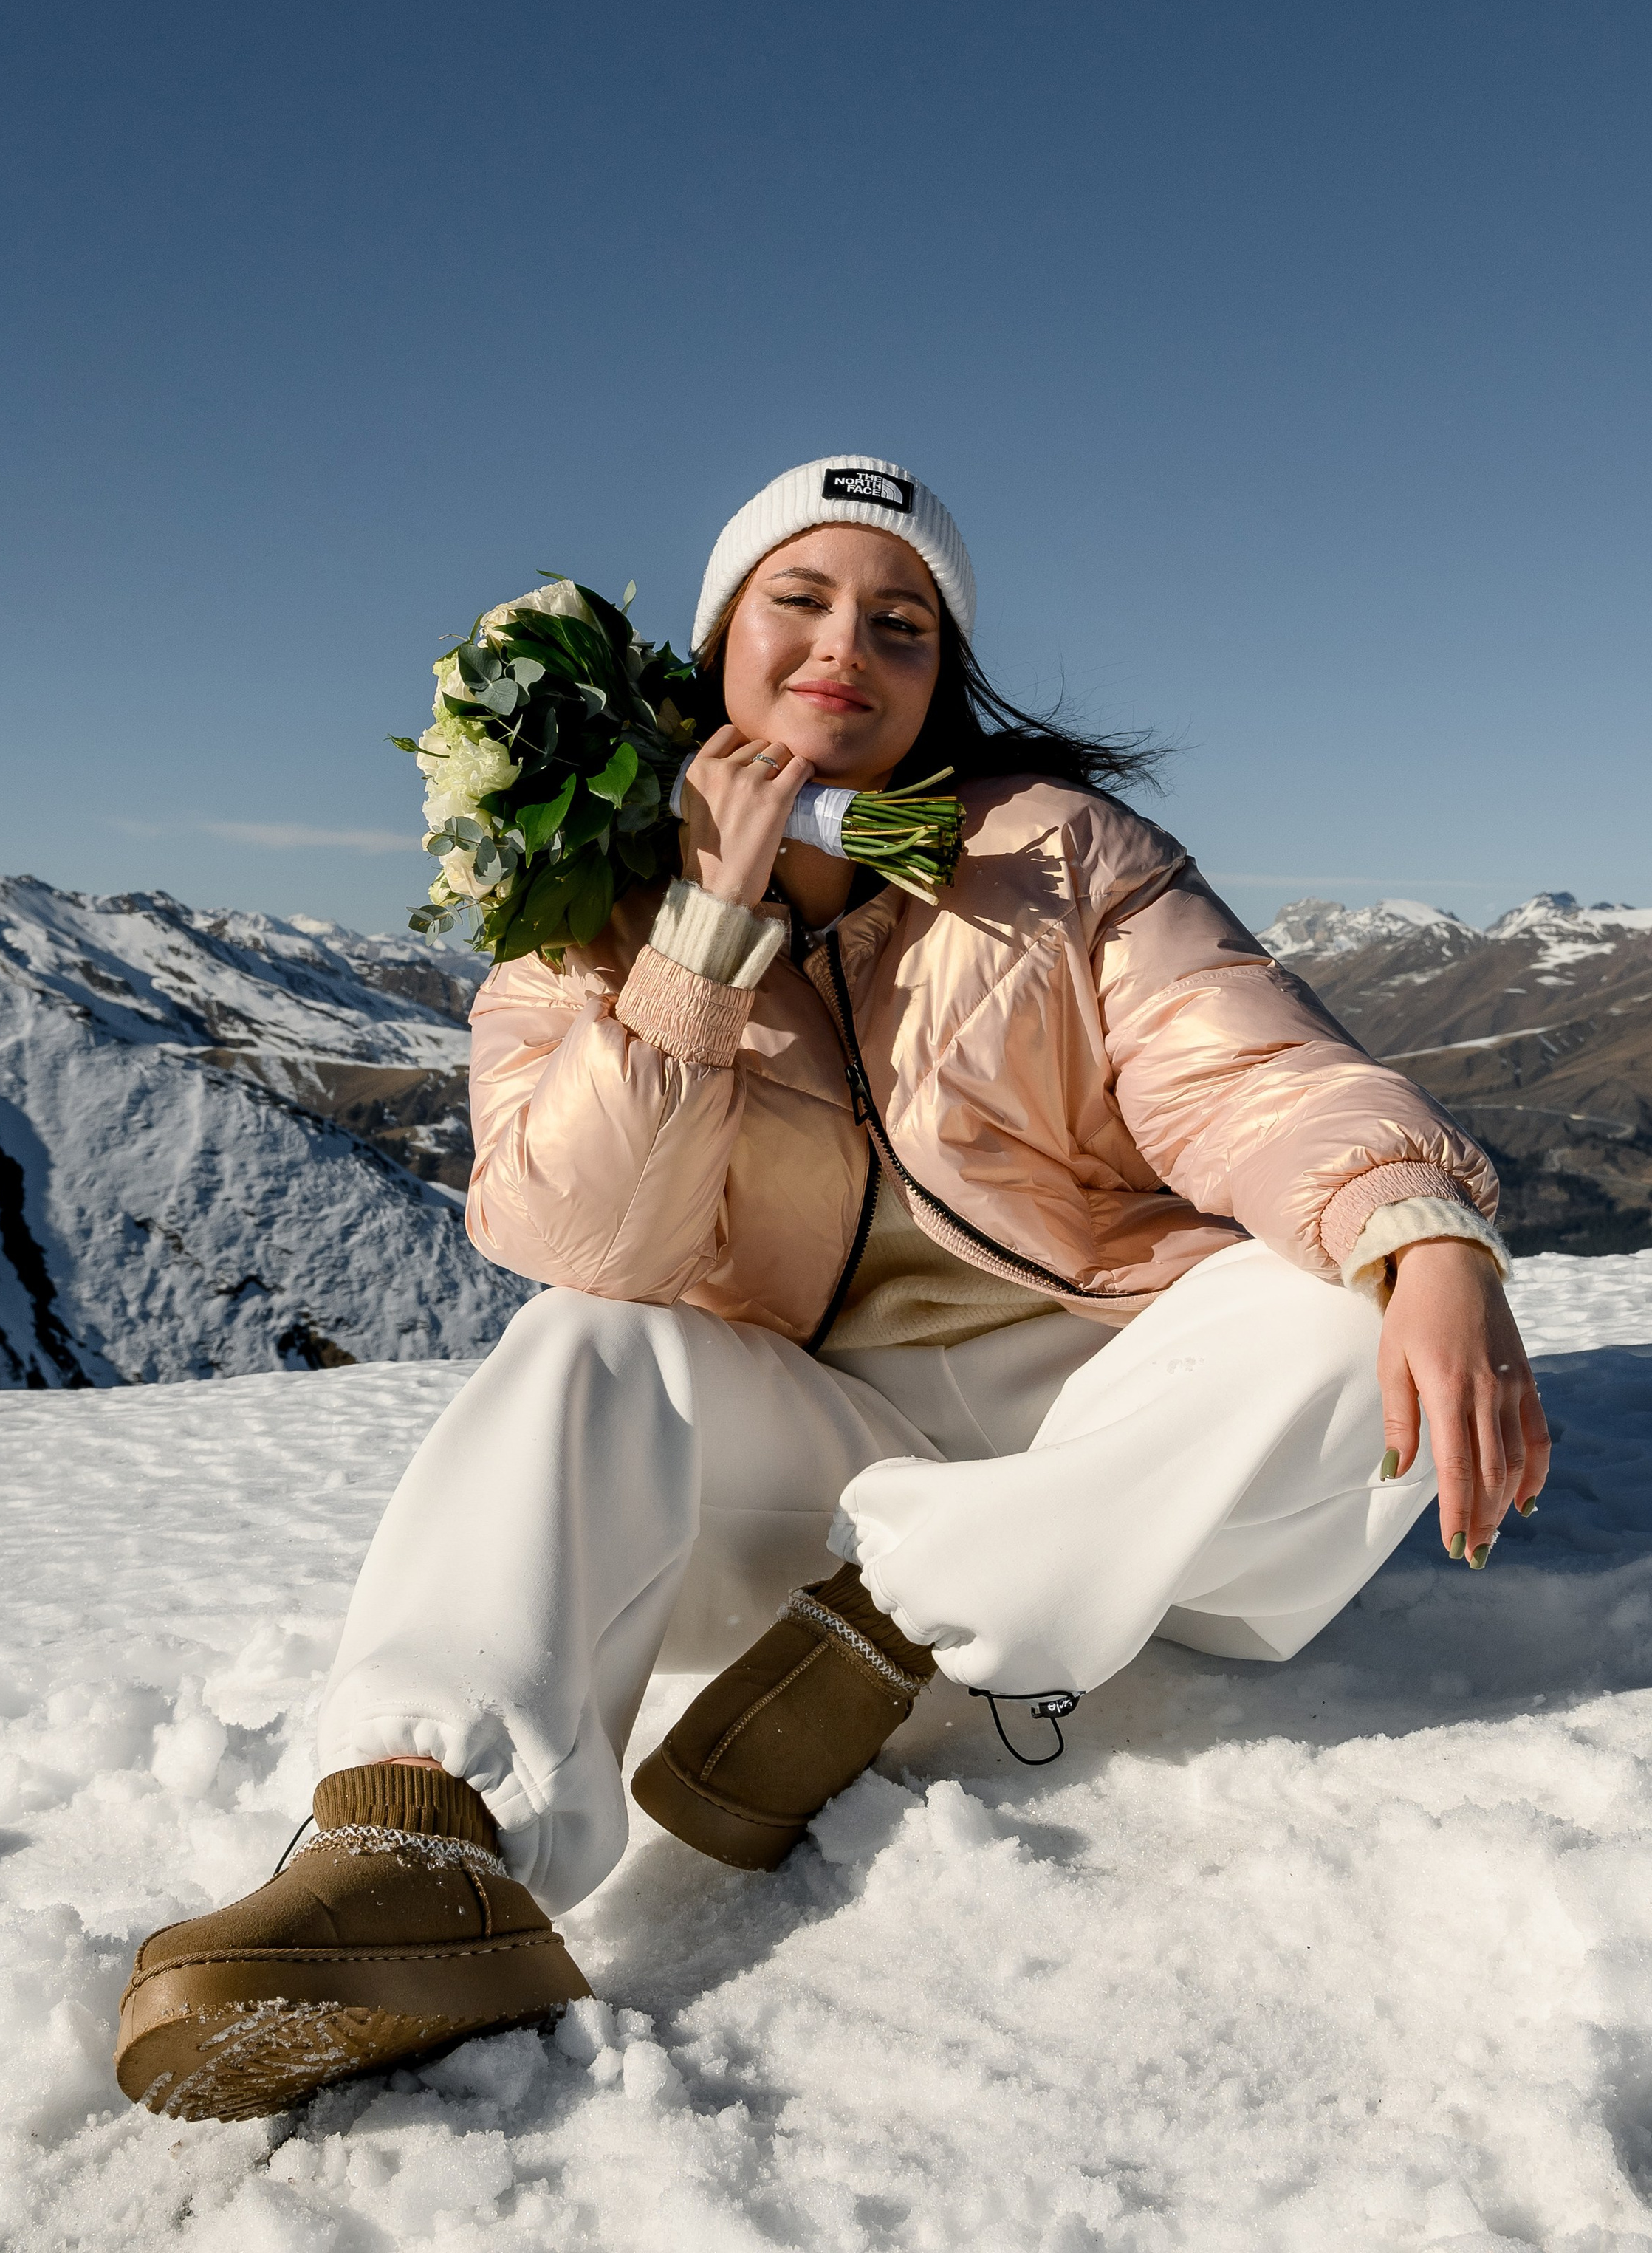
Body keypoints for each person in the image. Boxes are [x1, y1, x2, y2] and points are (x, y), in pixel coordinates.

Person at [114, 452, 1549, 2123]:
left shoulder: (1055, 856)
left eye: (900, 623)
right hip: (813, 1468)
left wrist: (1418, 1230)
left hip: (1112, 1444)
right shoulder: (582, 919)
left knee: (1339, 1303)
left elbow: (1245, 1076)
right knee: (581, 1346)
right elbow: (584, 1240)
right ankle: (417, 1846)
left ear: (942, 677)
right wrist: (704, 923)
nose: (842, 649)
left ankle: (891, 1637)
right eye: (798, 600)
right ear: (718, 636)